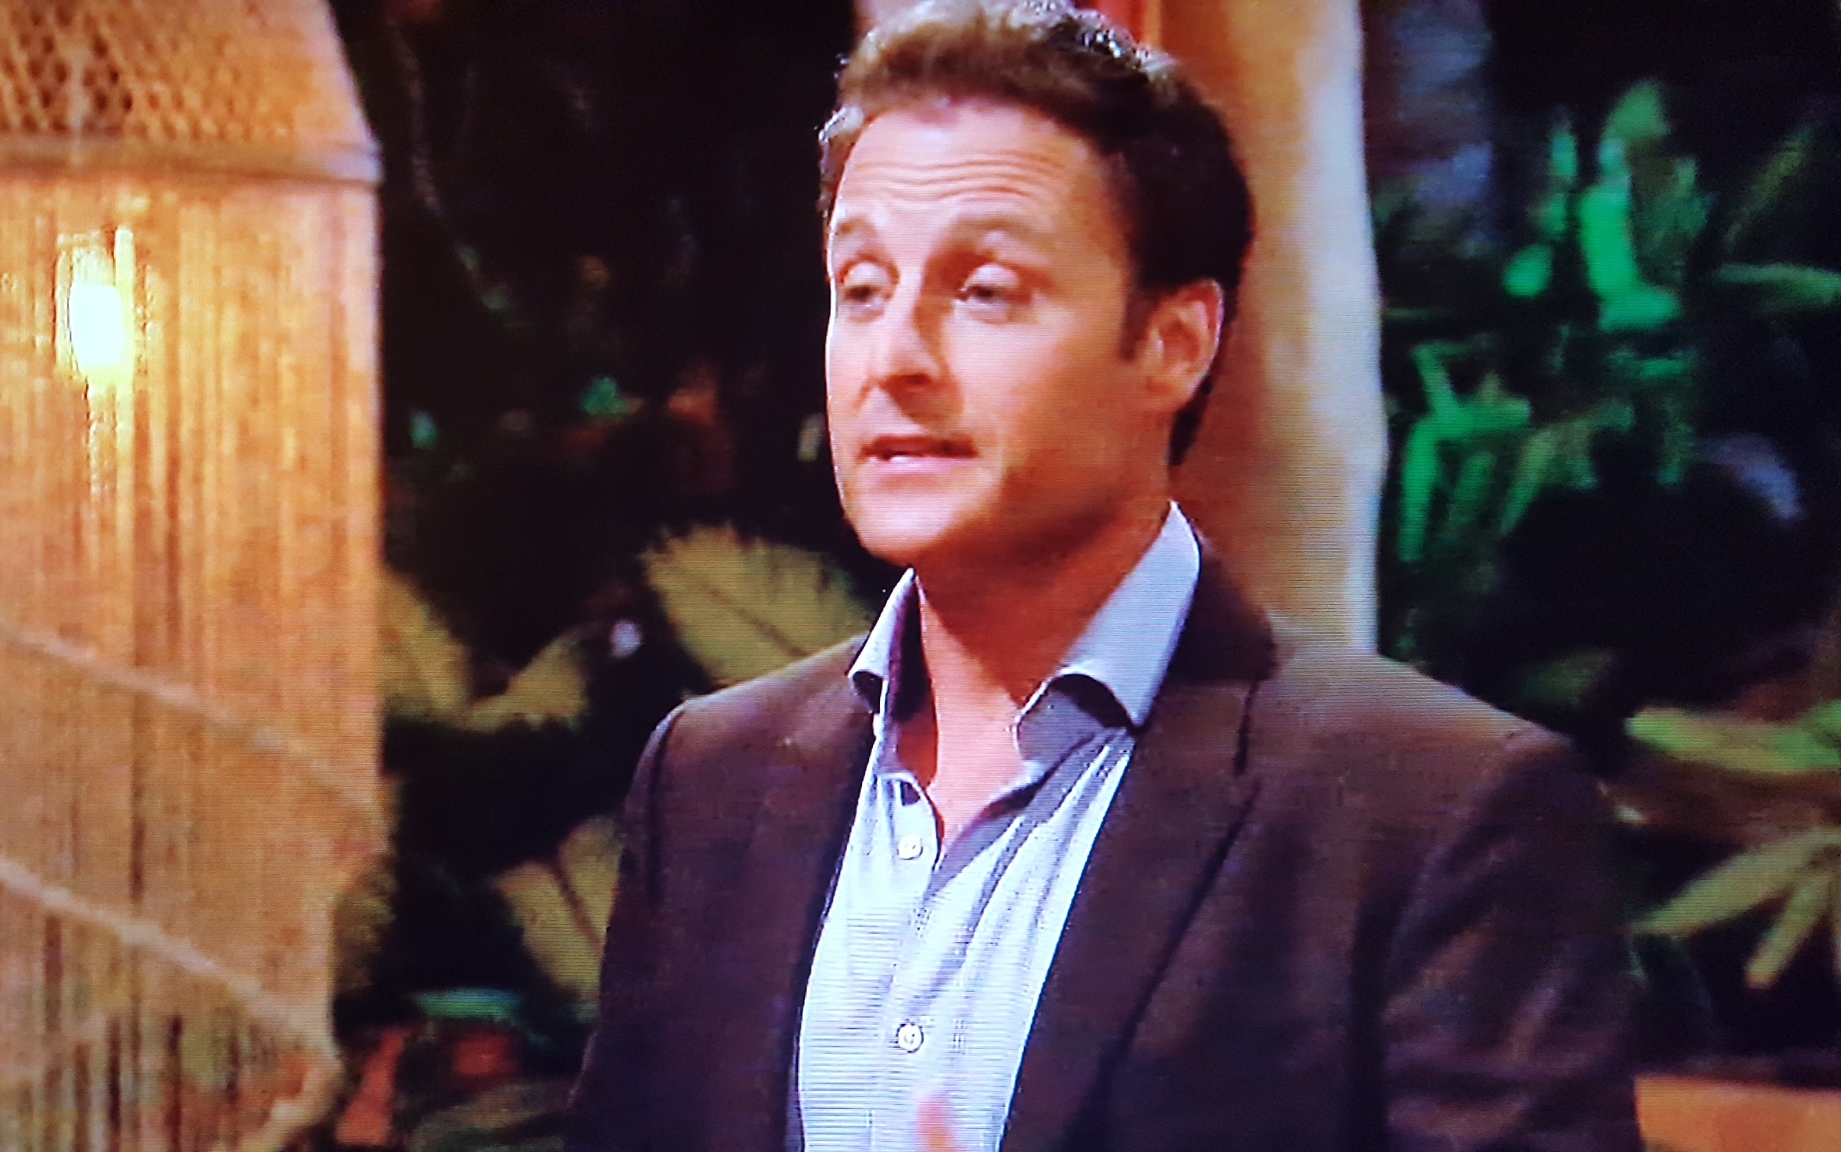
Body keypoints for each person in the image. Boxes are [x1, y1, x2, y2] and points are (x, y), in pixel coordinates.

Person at [567, 2, 1642, 1149]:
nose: (895, 359)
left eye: (985, 291)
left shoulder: (1428, 810)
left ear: (1172, 344)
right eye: (863, 288)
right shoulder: (711, 778)